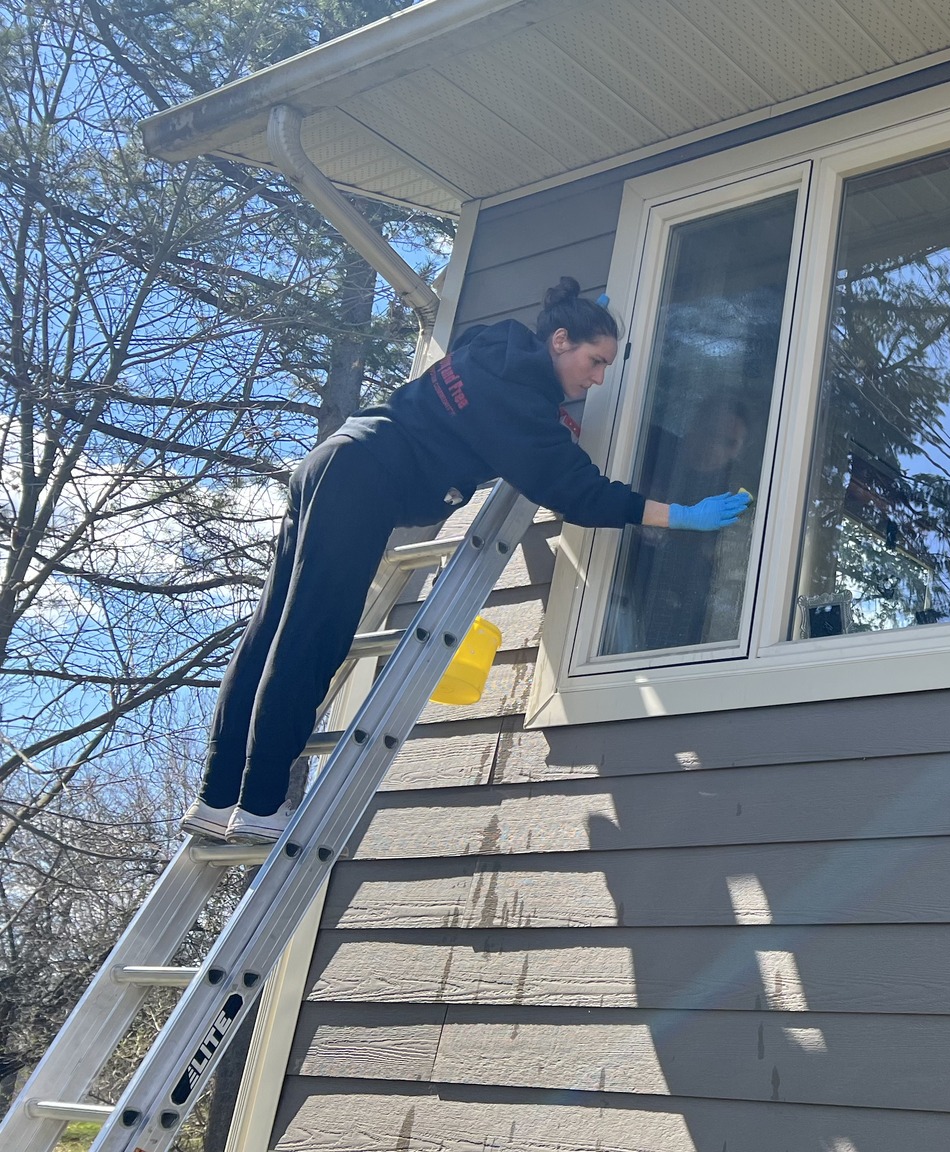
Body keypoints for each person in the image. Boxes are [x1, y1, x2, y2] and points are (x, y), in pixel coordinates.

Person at [182, 277, 751, 843]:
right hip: (364, 480)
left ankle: (216, 797)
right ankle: (258, 804)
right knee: (314, 635)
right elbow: (582, 492)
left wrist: (559, 374)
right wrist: (678, 515)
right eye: (595, 360)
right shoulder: (521, 409)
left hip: (331, 460)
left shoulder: (495, 344)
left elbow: (490, 378)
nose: (598, 377)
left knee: (268, 631)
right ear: (559, 341)